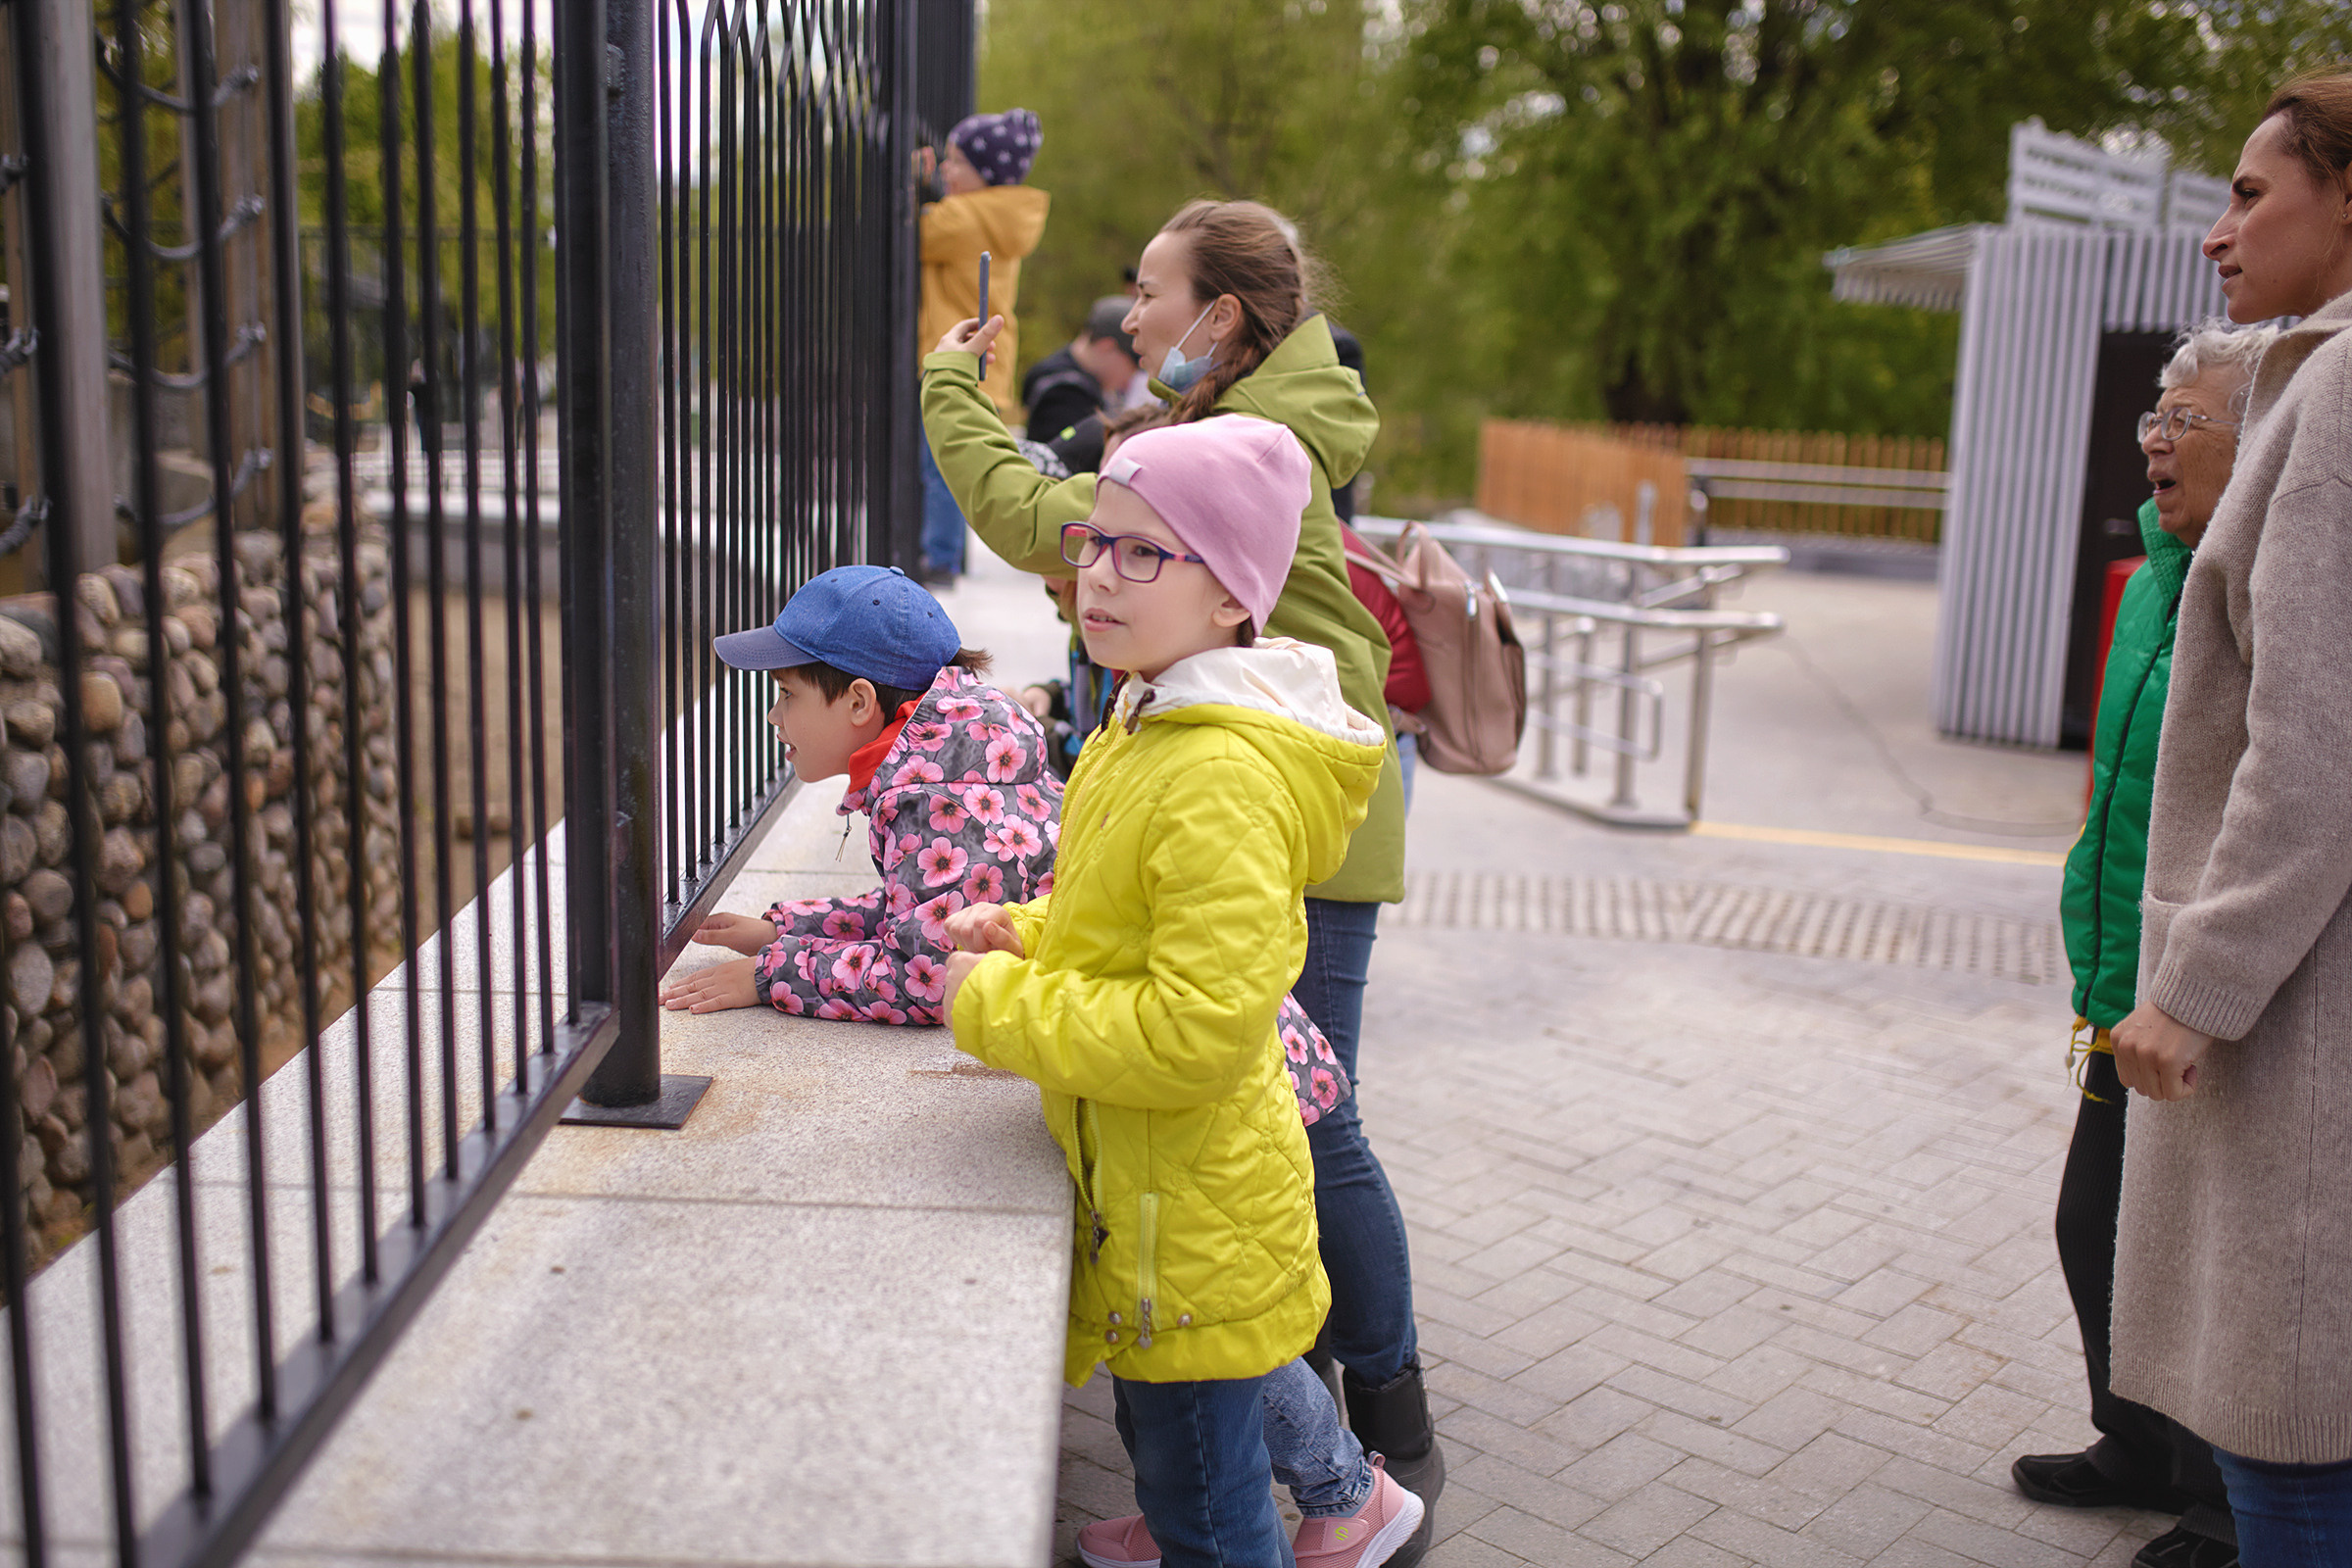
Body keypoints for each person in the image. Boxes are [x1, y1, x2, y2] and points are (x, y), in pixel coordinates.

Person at [923, 201, 1444, 1551]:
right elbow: (1120, 902)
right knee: (1188, 1432)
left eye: (1132, 554)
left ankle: (1371, 1449)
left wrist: (997, 1004)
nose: (1093, 575)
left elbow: (1198, 1029)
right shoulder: (1147, 708)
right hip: (1170, 1203)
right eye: (1093, 550)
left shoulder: (1204, 717)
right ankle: (1326, 1464)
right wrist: (1035, 930)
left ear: (1224, 313)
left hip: (1193, 1200)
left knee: (1315, 1127)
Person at [2109, 67, 2352, 1568]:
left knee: (2290, 1431)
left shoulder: (2340, 393)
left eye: (2253, 192)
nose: (2219, 230)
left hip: (2302, 1009)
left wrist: (2196, 988)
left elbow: (2316, 741)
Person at [2015, 319, 2274, 1568]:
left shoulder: (2268, 580)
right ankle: (2137, 1441)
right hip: (2120, 973)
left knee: (2208, 1251)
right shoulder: (2159, 578)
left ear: (2263, 438)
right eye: (2152, 418)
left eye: (2187, 420)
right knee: (2095, 1222)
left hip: (2215, 986)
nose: (2157, 441)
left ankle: (2229, 1502)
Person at [652, 564, 1056, 1020]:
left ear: (859, 703)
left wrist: (771, 972)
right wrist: (782, 928)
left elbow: (923, 980)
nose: (773, 715)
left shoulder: (934, 802)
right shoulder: (948, 759)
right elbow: (916, 914)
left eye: (787, 693)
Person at [914, 109, 1049, 584]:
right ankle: (944, 552)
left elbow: (915, 234)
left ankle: (940, 560)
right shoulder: (1000, 215)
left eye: (955, 162)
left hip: (959, 352)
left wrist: (914, 182)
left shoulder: (963, 218)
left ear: (985, 172)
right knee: (952, 457)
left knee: (939, 462)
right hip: (987, 353)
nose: (946, 169)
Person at [1024, 297, 1148, 446]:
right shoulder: (1067, 395)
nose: (1129, 381)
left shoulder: (1047, 372)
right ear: (1107, 346)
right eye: (1132, 367)